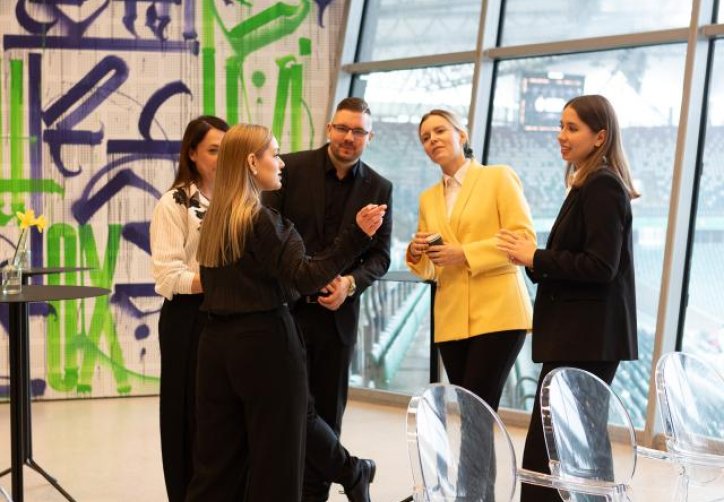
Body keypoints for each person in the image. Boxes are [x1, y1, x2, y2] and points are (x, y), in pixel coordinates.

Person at [187, 123, 387, 501]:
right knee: (277, 462)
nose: (281, 164)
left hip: (215, 344)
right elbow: (307, 277)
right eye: (274, 154)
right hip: (266, 345)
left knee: (216, 464)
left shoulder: (215, 220)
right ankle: (352, 471)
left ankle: (351, 470)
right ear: (252, 162)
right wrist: (356, 236)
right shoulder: (261, 220)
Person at [496, 94, 639, 502]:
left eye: (572, 128)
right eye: (561, 126)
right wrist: (531, 258)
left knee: (556, 452)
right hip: (581, 339)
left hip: (586, 341)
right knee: (570, 449)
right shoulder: (587, 184)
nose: (561, 135)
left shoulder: (602, 185)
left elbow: (600, 266)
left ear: (600, 137)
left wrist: (536, 256)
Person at [263, 97, 392, 500]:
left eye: (358, 132)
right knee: (291, 409)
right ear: (329, 129)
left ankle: (316, 494)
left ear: (370, 137)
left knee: (328, 415)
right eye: (342, 128)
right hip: (287, 311)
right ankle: (350, 472)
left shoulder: (379, 187)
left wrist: (349, 284)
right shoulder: (289, 169)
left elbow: (381, 257)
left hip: (338, 318)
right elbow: (271, 235)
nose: (349, 137)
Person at [406, 109, 534, 412]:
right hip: (451, 316)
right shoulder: (428, 198)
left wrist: (464, 253)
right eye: (425, 137)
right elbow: (432, 268)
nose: (432, 139)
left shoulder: (498, 177)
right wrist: (416, 252)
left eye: (440, 131)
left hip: (498, 312)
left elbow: (523, 239)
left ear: (461, 135)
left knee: (478, 409)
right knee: (467, 411)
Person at [150, 115, 229, 502]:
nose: (221, 158)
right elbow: (167, 276)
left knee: (220, 419)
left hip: (229, 316)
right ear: (192, 153)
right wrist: (219, 281)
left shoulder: (237, 200)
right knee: (186, 418)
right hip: (188, 319)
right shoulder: (174, 202)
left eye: (227, 151)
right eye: (213, 150)